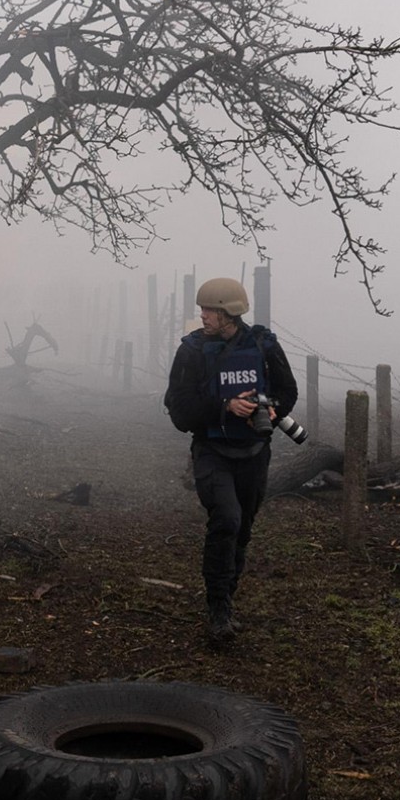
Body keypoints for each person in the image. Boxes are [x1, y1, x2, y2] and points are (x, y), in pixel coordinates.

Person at [163, 277, 299, 647]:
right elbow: (179, 411)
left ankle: (228, 596)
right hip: (211, 451)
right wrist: (224, 407)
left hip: (254, 453)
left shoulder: (262, 345)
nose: (203, 316)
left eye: (210, 310)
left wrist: (270, 410)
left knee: (242, 529)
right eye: (203, 309)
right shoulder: (191, 352)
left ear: (230, 313)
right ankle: (218, 609)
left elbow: (288, 392)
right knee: (226, 519)